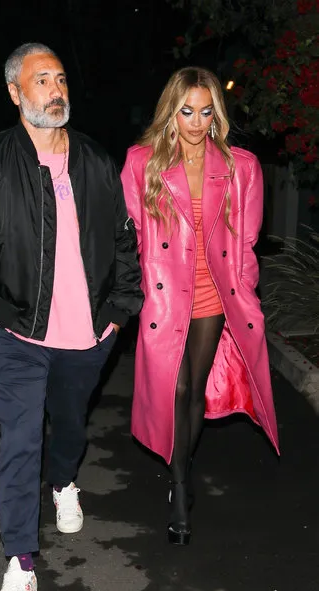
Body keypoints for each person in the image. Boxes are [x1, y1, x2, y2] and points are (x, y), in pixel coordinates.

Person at [0, 42, 143, 591]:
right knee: (21, 439)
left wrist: (119, 313)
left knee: (69, 425)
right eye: (41, 80)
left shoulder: (97, 163)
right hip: (16, 331)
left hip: (87, 336)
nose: (55, 90)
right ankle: (20, 564)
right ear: (15, 93)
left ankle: (65, 480)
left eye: (60, 78)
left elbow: (126, 241)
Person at [121, 67, 279, 546]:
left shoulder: (240, 166)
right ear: (172, 111)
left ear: (216, 114)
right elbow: (128, 237)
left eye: (205, 111)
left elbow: (247, 242)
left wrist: (246, 291)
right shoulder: (142, 162)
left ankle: (181, 478)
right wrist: (131, 292)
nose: (195, 121)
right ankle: (181, 483)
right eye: (186, 110)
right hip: (165, 294)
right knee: (176, 386)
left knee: (192, 392)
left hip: (214, 292)